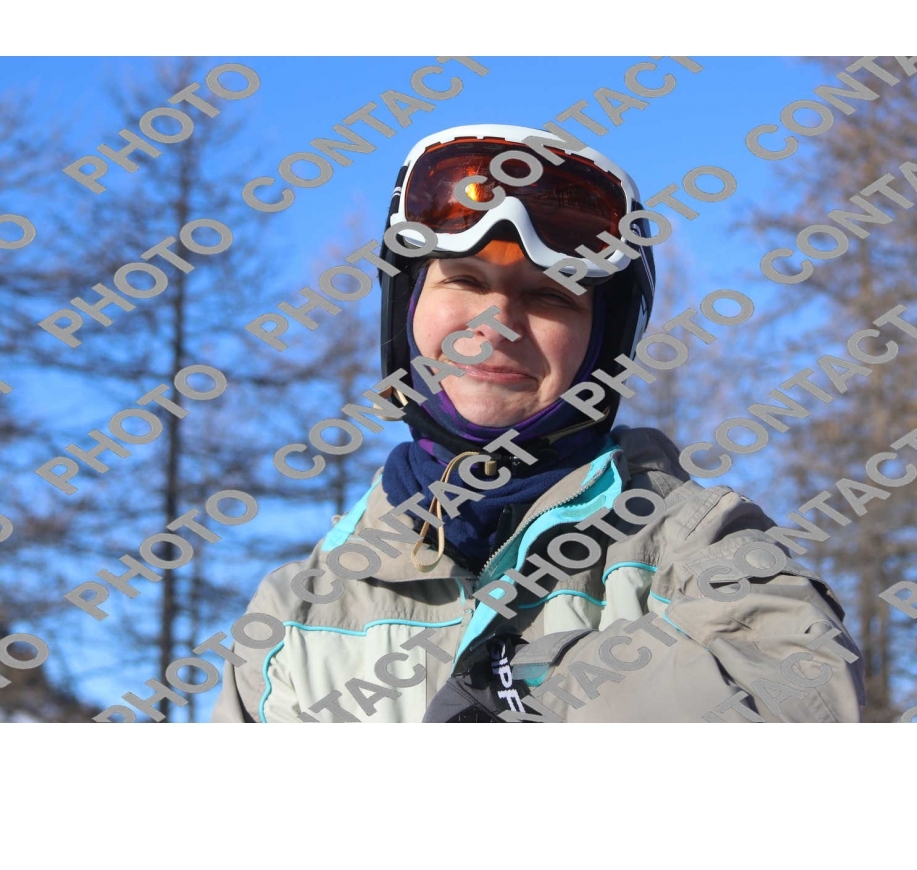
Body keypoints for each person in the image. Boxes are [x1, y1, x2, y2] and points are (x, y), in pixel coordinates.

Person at [212, 124, 866, 723]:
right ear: (406, 310)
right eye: (465, 281)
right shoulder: (298, 614)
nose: (496, 325)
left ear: (601, 346)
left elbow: (806, 700)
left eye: (549, 296)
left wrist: (528, 690)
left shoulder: (693, 544)